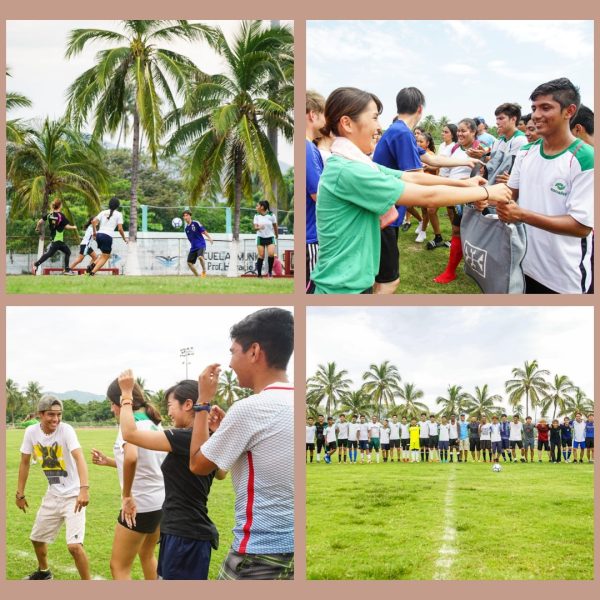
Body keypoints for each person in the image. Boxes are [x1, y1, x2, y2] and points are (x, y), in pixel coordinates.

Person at [310, 87, 511, 294]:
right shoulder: (349, 169)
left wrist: (464, 184)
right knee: (388, 283)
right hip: (340, 289)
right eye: (374, 118)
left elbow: (412, 176)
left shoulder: (354, 162)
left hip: (351, 282)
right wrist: (488, 193)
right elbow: (426, 195)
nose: (379, 127)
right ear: (347, 123)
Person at [189, 308, 294, 580]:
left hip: (258, 554)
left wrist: (202, 403)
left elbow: (198, 464)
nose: (231, 363)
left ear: (254, 351)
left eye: (233, 351)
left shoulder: (250, 408)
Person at [371, 87, 483, 293]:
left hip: (388, 211)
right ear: (420, 109)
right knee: (386, 281)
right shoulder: (402, 133)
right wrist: (465, 186)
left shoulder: (400, 130)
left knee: (380, 276)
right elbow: (417, 178)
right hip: (384, 213)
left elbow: (430, 158)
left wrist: (465, 161)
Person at [115, 376, 225, 580]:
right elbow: (221, 474)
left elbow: (129, 434)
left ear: (188, 404)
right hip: (186, 532)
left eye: (170, 405)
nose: (168, 411)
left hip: (185, 535)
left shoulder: (184, 438)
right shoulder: (207, 438)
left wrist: (127, 395)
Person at [496, 78, 594, 294]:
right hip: (524, 264)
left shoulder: (585, 159)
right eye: (534, 108)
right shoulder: (526, 152)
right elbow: (510, 193)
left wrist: (521, 214)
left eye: (545, 107)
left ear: (569, 111)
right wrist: (486, 196)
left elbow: (581, 226)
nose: (536, 115)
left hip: (564, 278)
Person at [91, 378, 165, 580]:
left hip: (140, 504)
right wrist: (109, 461)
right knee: (147, 555)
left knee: (119, 566)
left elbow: (132, 457)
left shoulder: (129, 425)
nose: (111, 409)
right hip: (159, 502)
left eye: (111, 403)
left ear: (119, 402)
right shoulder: (153, 425)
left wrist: (126, 496)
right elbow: (146, 463)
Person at [16, 395, 90, 580]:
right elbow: (25, 462)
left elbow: (79, 457)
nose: (56, 419)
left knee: (74, 546)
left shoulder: (66, 430)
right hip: (53, 494)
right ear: (40, 414)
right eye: (51, 414)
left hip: (73, 496)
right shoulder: (31, 432)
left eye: (59, 415)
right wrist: (20, 494)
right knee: (37, 538)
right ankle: (44, 573)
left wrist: (84, 488)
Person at [306, 90, 326, 288]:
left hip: (311, 235)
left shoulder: (310, 148)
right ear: (313, 114)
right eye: (324, 115)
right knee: (312, 288)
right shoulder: (308, 149)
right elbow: (318, 195)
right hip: (311, 237)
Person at [31, 198, 78, 276]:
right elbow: (67, 227)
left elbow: (40, 221)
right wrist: (74, 227)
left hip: (55, 239)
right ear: (60, 206)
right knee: (52, 253)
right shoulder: (61, 215)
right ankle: (36, 264)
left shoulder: (50, 215)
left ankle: (66, 269)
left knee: (65, 252)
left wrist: (37, 228)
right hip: (58, 239)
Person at [89, 196, 127, 276]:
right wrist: (124, 238)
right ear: (117, 206)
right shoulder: (119, 214)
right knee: (106, 256)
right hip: (107, 236)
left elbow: (93, 222)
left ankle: (93, 264)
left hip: (99, 235)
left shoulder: (103, 212)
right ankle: (92, 272)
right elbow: (120, 229)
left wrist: (95, 233)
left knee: (103, 254)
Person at [183, 210, 213, 278]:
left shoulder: (196, 223)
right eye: (184, 216)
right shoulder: (186, 228)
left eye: (187, 215)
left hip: (201, 244)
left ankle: (204, 271)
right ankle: (197, 277)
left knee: (200, 257)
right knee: (189, 263)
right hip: (193, 247)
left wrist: (209, 238)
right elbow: (190, 239)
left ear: (190, 216)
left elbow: (203, 231)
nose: (185, 217)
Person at [253, 200, 278, 278]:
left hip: (270, 237)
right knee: (261, 255)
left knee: (271, 254)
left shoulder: (271, 215)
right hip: (260, 237)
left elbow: (275, 226)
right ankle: (259, 275)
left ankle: (270, 272)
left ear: (262, 207)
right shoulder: (256, 216)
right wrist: (259, 227)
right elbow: (255, 228)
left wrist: (276, 235)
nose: (256, 207)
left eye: (257, 206)